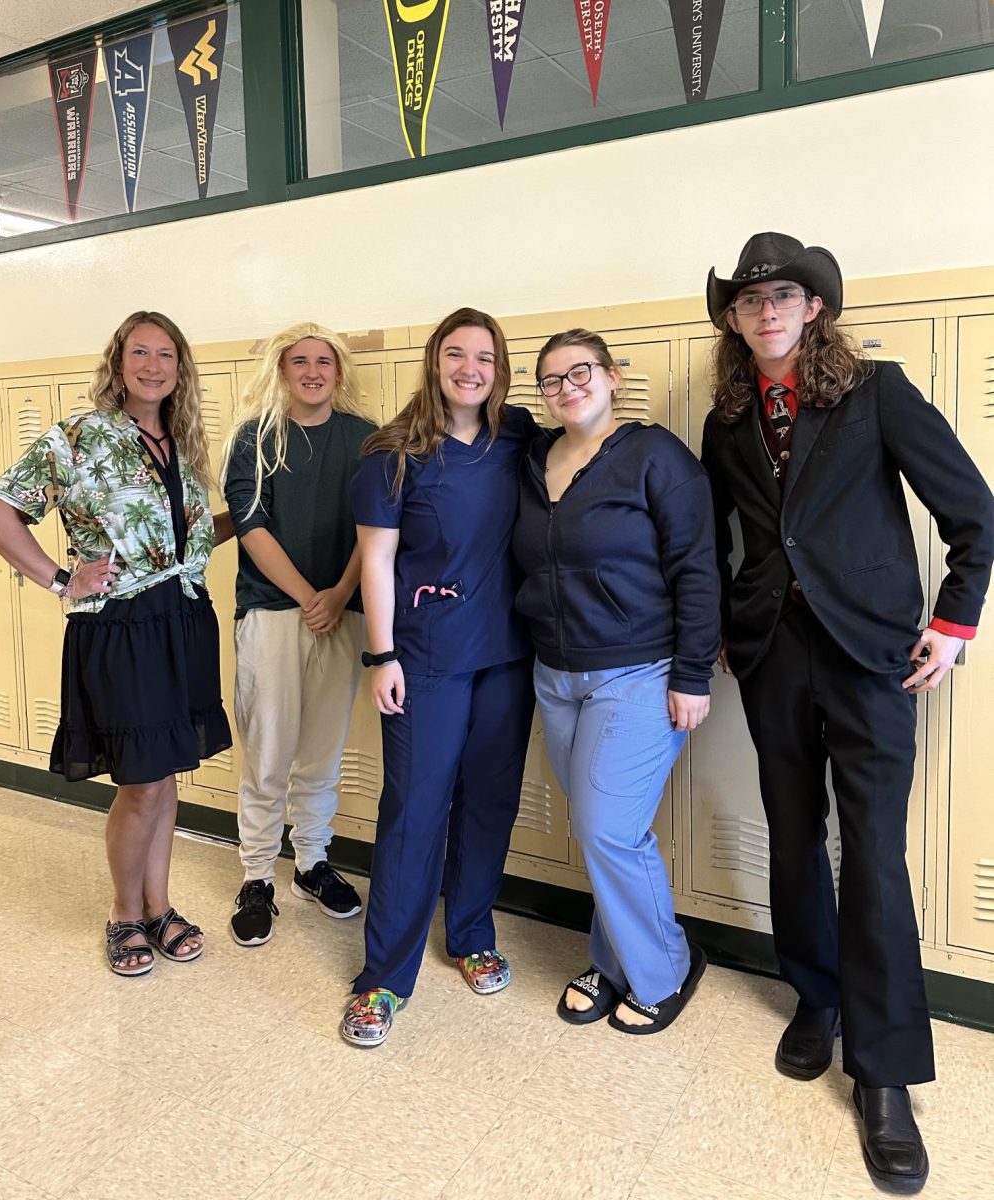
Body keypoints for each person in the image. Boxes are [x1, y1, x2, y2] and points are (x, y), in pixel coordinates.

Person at [701, 232, 994, 1194]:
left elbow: (972, 512)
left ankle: (884, 1075)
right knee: (792, 836)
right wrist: (715, 633)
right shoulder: (726, 418)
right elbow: (718, 540)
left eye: (782, 295)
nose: (766, 312)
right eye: (748, 302)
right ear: (735, 322)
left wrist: (953, 622)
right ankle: (814, 999)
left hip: (874, 657)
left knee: (870, 854)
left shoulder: (876, 392)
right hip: (772, 656)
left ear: (812, 306)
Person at [0, 311, 233, 977]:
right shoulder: (79, 436)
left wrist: (265, 513)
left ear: (181, 369)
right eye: (140, 353)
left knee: (167, 770)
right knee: (141, 782)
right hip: (119, 627)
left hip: (180, 619)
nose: (154, 366)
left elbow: (179, 542)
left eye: (167, 355)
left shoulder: (177, 441)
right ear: (118, 362)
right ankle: (124, 913)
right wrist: (61, 578)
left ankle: (159, 905)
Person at [341, 307, 538, 1048]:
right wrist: (381, 655)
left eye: (484, 357)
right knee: (416, 811)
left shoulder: (517, 436)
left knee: (489, 803)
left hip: (506, 655)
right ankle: (383, 978)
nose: (469, 369)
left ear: (500, 368)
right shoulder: (392, 456)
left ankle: (469, 933)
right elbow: (378, 562)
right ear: (433, 362)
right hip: (423, 659)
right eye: (455, 354)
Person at [511, 329, 718, 1033]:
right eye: (550, 380)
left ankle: (662, 966)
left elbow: (697, 567)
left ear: (610, 375)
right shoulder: (534, 457)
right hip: (554, 674)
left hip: (637, 672)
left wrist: (692, 674)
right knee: (607, 832)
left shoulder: (655, 456)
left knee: (605, 828)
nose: (567, 388)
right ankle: (617, 958)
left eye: (580, 373)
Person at [221, 323, 377, 945]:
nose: (313, 372)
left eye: (324, 362)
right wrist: (309, 596)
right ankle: (257, 874)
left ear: (339, 372)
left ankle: (311, 863)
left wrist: (339, 594)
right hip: (272, 612)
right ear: (282, 372)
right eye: (300, 362)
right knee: (267, 751)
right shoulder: (254, 439)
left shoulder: (365, 439)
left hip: (344, 610)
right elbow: (251, 526)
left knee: (321, 751)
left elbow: (377, 529)